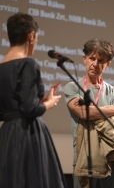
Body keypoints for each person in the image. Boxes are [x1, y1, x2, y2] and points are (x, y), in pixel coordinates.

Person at [0, 12, 67, 188]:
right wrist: (48, 103)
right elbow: (29, 109)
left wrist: (40, 101)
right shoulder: (28, 64)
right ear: (31, 35)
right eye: (36, 37)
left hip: (7, 135)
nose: (36, 42)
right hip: (28, 134)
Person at [64, 38, 114, 188]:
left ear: (108, 65)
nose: (95, 64)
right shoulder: (73, 87)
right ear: (84, 59)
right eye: (92, 58)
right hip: (84, 157)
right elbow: (83, 113)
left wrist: (96, 113)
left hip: (112, 156)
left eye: (101, 60)